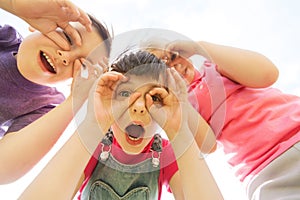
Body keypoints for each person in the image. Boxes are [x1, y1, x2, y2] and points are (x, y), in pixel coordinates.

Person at [19, 50, 224, 200]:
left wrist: (179, 131)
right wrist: (93, 125)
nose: (139, 108)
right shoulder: (95, 147)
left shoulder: (165, 156)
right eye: (125, 94)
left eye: (155, 97)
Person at [146, 39, 300, 200]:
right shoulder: (184, 105)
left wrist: (199, 47)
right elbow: (208, 144)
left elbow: (268, 74)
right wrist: (178, 97)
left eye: (173, 57)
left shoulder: (214, 68)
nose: (174, 67)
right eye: (163, 71)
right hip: (263, 169)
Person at [0, 0, 112, 184]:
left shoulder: (45, 104)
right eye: (68, 38)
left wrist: (74, 101)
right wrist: (12, 4)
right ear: (34, 26)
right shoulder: (6, 38)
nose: (66, 57)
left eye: (82, 65)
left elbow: (3, 169)